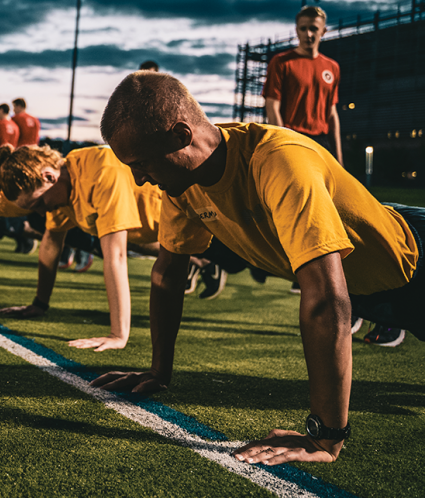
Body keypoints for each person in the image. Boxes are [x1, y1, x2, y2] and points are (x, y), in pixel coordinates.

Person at [93, 71, 423, 466]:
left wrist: (326, 436)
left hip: (412, 262)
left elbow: (326, 301)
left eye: (142, 163)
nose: (139, 179)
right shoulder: (182, 183)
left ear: (182, 136)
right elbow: (167, 275)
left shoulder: (279, 159)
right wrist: (158, 372)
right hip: (368, 289)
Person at [0, 144, 161, 351]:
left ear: (48, 177)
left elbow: (116, 256)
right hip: (163, 236)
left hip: (199, 224)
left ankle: (202, 263)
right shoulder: (61, 187)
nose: (41, 210)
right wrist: (39, 304)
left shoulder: (101, 172)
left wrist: (118, 335)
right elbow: (51, 243)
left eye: (39, 203)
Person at [263, 6, 342, 164]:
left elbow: (332, 114)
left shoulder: (332, 67)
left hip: (321, 142)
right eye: (303, 29)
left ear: (323, 31)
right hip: (292, 137)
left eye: (313, 29)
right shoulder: (281, 62)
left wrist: (339, 158)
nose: (308, 34)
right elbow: (272, 107)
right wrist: (284, 144)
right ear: (297, 30)